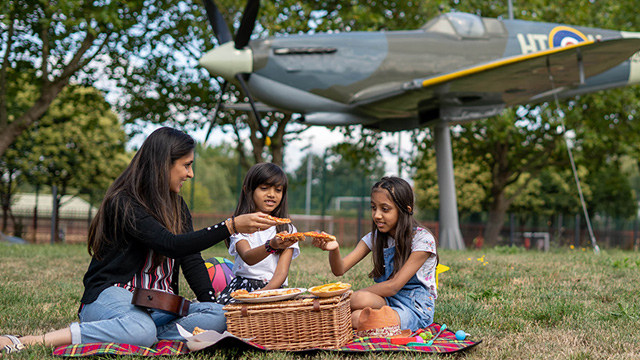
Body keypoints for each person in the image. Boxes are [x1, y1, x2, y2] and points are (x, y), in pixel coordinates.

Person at [0, 127, 292, 353]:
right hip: (114, 296)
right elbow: (169, 244)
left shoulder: (178, 206)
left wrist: (210, 308)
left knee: (220, 316)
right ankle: (33, 340)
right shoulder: (124, 202)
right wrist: (229, 226)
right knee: (140, 329)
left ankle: (139, 331)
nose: (190, 173)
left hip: (161, 305)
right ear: (164, 163)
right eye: (186, 165)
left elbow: (190, 260)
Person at [311, 176, 438, 332]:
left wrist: (349, 298)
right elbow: (340, 269)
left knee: (356, 316)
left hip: (414, 308)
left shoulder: (423, 240)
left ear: (406, 209)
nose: (377, 215)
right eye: (373, 207)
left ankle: (366, 321)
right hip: (386, 300)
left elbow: (393, 286)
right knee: (357, 300)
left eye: (385, 209)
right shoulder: (375, 238)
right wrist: (334, 249)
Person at [215, 163, 300, 305]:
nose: (272, 194)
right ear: (248, 191)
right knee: (225, 319)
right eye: (264, 188)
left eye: (278, 190)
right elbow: (248, 257)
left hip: (274, 290)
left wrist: (262, 295)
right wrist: (271, 245)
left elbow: (281, 273)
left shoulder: (288, 230)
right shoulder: (239, 225)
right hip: (243, 288)